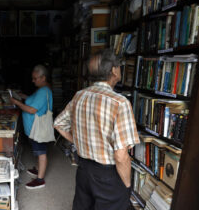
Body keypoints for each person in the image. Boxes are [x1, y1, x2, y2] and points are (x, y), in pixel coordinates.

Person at [54, 49, 139, 210]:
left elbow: (59, 124)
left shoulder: (80, 95)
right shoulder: (119, 103)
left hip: (84, 169)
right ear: (114, 70)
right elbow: (121, 155)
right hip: (108, 174)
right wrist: (127, 185)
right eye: (119, 66)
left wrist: (79, 141)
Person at [10, 64, 54, 189]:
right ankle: (39, 169)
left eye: (35, 78)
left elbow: (31, 110)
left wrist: (17, 102)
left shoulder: (43, 91)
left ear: (43, 78)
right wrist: (22, 96)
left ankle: (40, 180)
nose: (33, 81)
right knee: (38, 150)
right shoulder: (42, 90)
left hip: (38, 128)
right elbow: (33, 100)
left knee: (41, 152)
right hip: (35, 128)